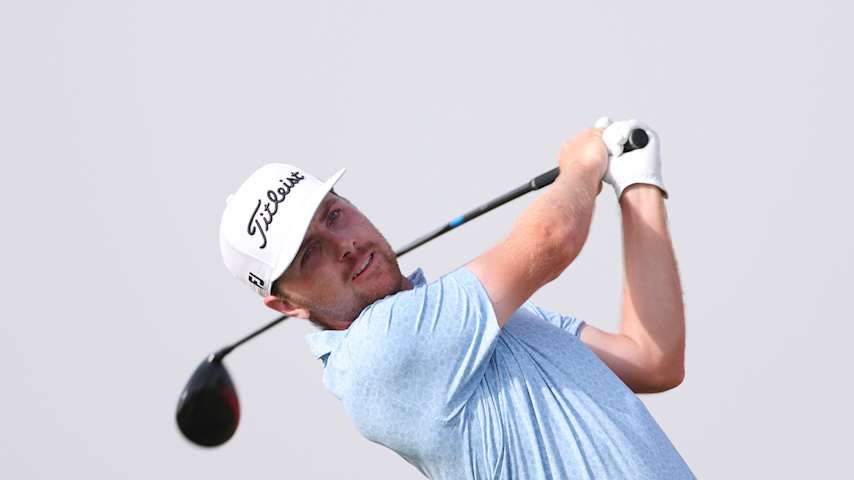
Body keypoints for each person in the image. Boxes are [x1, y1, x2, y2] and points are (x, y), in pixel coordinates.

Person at [218, 118, 694, 479]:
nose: (343, 245)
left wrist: (638, 183)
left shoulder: (484, 319)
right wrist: (584, 164)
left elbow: (652, 359)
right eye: (309, 254)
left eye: (335, 215)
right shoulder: (377, 352)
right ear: (286, 305)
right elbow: (551, 239)